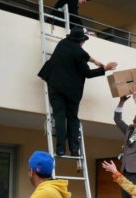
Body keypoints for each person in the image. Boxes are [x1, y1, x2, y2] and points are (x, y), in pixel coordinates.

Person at [38, 27, 117, 156]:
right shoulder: (78, 54)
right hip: (71, 92)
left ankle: (60, 149)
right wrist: (105, 69)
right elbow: (88, 73)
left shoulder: (63, 43)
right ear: (80, 42)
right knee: (72, 119)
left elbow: (83, 54)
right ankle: (74, 149)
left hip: (55, 85)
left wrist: (94, 60)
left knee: (59, 116)